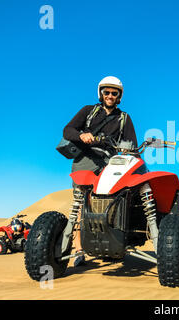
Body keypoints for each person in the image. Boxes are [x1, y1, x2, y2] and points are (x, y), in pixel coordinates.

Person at [63, 76, 138, 266]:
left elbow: (133, 146)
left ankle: (110, 246)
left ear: (119, 96)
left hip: (112, 162)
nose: (110, 96)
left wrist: (128, 154)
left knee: (111, 203)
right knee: (82, 204)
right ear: (101, 93)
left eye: (114, 93)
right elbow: (67, 130)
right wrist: (82, 134)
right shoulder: (89, 111)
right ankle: (79, 250)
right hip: (87, 159)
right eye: (107, 92)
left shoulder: (124, 118)